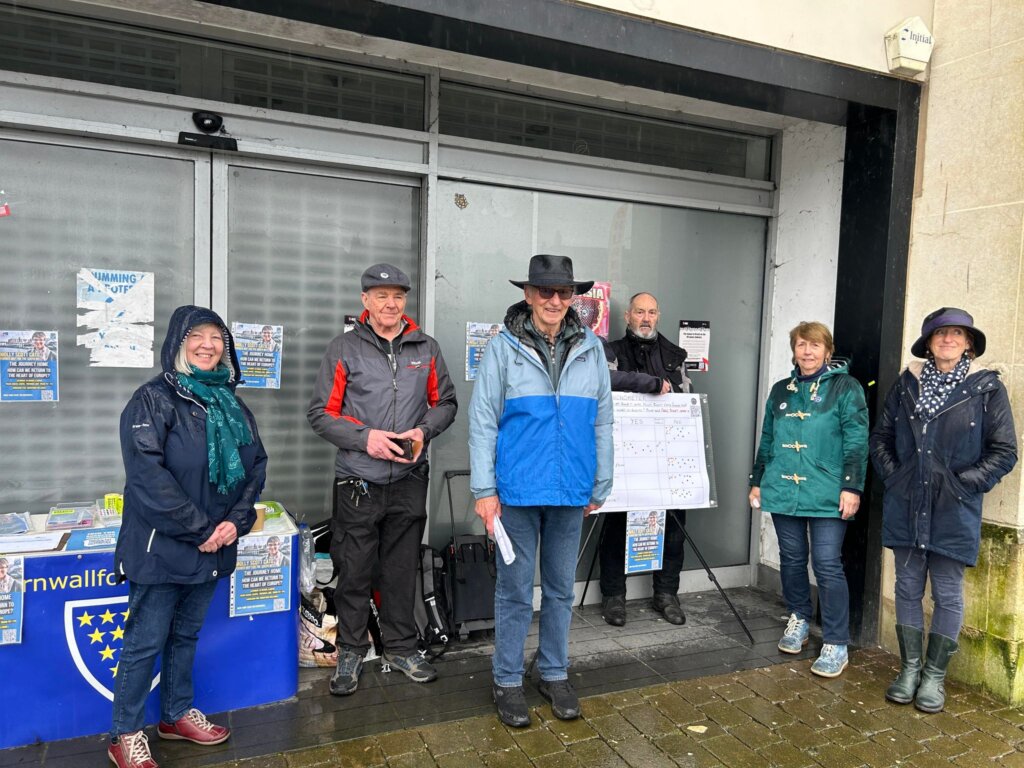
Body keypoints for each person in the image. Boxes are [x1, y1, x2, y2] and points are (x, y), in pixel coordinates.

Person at [109, 305, 267, 768]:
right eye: (197, 336)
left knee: (185, 636)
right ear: (178, 343)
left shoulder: (231, 402)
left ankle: (176, 715)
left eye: (217, 337)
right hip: (162, 548)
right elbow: (147, 478)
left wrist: (233, 524)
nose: (208, 345)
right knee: (144, 641)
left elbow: (256, 467)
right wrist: (202, 530)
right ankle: (125, 733)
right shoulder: (152, 400)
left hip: (213, 546)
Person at [469, 254, 613, 728]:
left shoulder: (591, 348)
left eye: (564, 292)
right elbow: (483, 421)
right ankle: (507, 678)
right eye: (545, 291)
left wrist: (601, 480)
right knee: (514, 591)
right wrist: (484, 489)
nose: (555, 300)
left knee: (558, 590)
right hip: (515, 491)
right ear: (528, 295)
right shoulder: (502, 348)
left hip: (571, 488)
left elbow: (603, 421)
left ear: (574, 298)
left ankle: (552, 671)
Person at [308, 262, 457, 697]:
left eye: (397, 296)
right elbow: (320, 414)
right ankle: (351, 651)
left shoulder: (425, 348)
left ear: (404, 301)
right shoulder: (344, 349)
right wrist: (365, 439)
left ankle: (401, 647)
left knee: (399, 569)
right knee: (354, 571)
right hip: (358, 479)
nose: (390, 303)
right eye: (381, 296)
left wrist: (423, 431)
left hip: (409, 479)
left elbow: (445, 403)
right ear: (365, 302)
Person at [870, 307, 1017, 713]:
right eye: (940, 334)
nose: (948, 339)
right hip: (907, 502)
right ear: (929, 342)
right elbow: (880, 437)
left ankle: (934, 678)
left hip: (954, 509)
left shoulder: (986, 389)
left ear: (968, 342)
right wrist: (896, 478)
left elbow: (1005, 452)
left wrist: (960, 485)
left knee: (948, 594)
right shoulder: (907, 385)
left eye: (957, 334)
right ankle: (909, 670)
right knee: (907, 587)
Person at [748, 321, 867, 678]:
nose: (808, 352)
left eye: (815, 346)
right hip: (783, 487)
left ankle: (836, 641)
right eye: (802, 345)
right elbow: (768, 437)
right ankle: (799, 617)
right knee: (792, 558)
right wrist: (758, 480)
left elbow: (857, 440)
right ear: (794, 350)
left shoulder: (846, 388)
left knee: (828, 563)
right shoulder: (780, 390)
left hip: (829, 491)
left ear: (828, 351)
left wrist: (852, 486)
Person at [600, 292, 689, 627]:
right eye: (640, 312)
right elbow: (603, 386)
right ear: (628, 316)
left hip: (667, 457)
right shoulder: (610, 351)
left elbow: (685, 399)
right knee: (616, 526)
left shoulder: (675, 355)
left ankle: (666, 595)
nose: (646, 318)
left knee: (674, 527)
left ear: (658, 315)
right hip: (623, 457)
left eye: (652, 312)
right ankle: (613, 597)